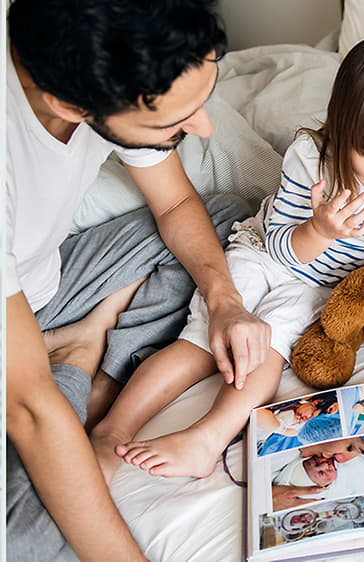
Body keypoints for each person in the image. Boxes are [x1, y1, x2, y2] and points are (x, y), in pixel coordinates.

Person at [90, 30, 364, 483]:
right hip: (264, 252)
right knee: (201, 340)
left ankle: (207, 438)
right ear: (342, 126)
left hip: (325, 287)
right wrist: (319, 230)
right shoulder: (312, 156)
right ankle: (111, 429)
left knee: (268, 350)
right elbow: (282, 243)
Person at [6, 1, 273, 560]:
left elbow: (176, 201)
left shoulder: (110, 51)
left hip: (44, 288)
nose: (203, 128)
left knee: (228, 223)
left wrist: (224, 302)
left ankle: (86, 353)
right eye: (172, 122)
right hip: (19, 355)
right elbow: (28, 408)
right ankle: (83, 365)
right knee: (26, 539)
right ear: (70, 105)